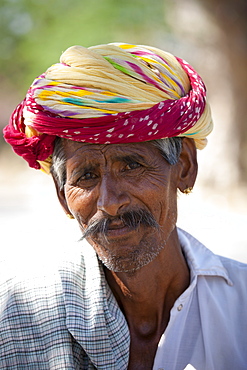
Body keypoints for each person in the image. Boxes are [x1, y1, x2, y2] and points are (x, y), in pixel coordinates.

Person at [1, 42, 247, 370]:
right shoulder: (15, 319)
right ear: (62, 196)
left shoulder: (240, 307)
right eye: (86, 176)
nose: (110, 203)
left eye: (131, 166)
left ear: (184, 167)